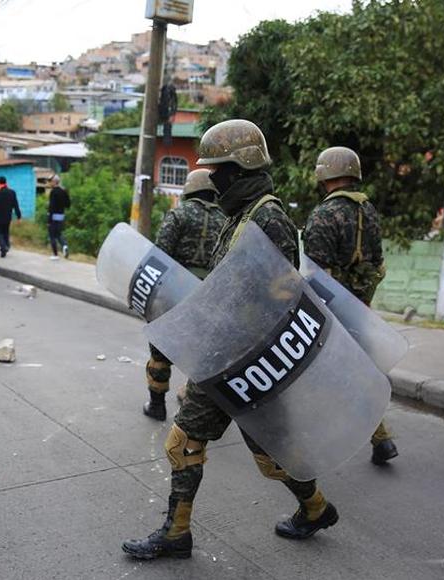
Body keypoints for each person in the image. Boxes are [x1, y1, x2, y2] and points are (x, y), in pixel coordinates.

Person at [123, 120, 337, 561]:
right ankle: (314, 508)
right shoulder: (243, 216)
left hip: (241, 357)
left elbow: (278, 299)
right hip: (231, 353)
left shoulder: (268, 219)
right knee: (267, 451)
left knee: (185, 443)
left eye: (218, 170)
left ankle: (177, 534)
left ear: (240, 168)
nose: (213, 179)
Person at [302, 146, 399, 466]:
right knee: (356, 371)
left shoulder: (323, 215)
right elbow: (378, 264)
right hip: (361, 307)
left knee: (327, 373)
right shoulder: (368, 211)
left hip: (332, 311)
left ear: (324, 173)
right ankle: (379, 437)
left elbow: (316, 276)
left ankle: (369, 436)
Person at [141, 168, 225, 420]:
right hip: (208, 296)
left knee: (160, 352)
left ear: (190, 190)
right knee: (200, 353)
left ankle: (157, 406)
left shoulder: (178, 214)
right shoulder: (225, 220)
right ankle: (192, 402)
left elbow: (160, 255)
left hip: (174, 294)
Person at [0, 176, 21, 258]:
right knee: (5, 232)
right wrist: (18, 216)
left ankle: (3, 246)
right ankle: (5, 247)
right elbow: (16, 205)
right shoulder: (12, 192)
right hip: (8, 216)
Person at [47, 175, 71, 260]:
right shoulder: (63, 191)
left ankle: (55, 254)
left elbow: (51, 206)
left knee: (52, 235)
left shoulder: (53, 192)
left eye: (50, 181)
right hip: (61, 216)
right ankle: (64, 246)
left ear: (54, 182)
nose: (49, 183)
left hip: (53, 216)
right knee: (59, 233)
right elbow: (68, 204)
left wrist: (49, 219)